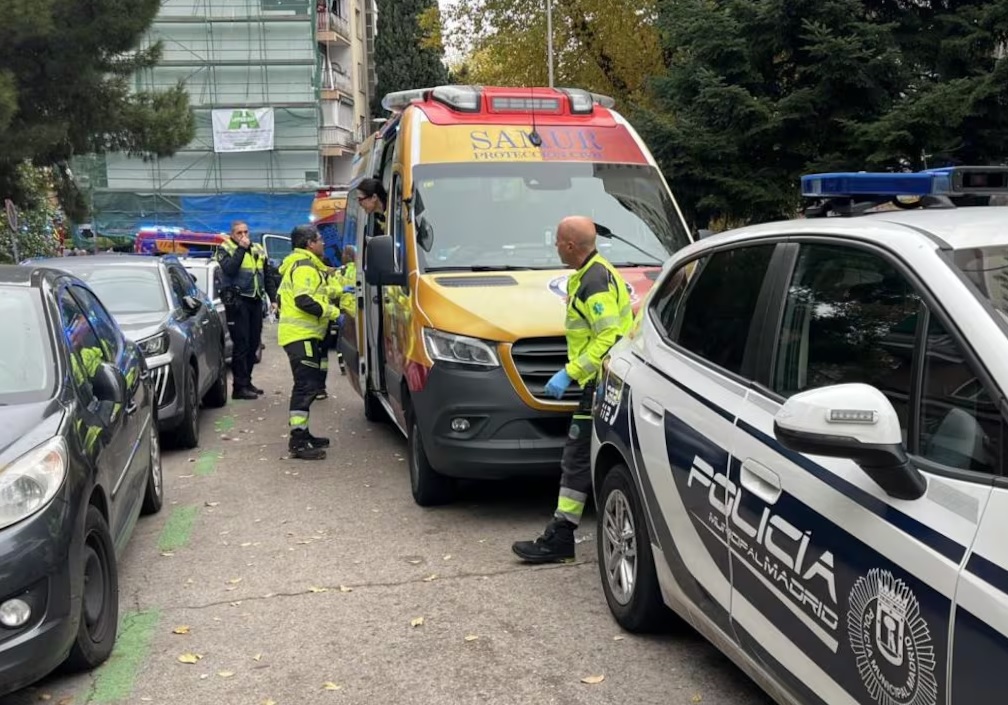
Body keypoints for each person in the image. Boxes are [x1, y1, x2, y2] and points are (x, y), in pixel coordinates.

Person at [512, 215, 634, 563]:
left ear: (569, 245)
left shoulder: (593, 281)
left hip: (601, 382)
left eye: (556, 241)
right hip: (602, 380)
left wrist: (570, 372)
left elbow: (609, 336)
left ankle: (561, 536)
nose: (554, 246)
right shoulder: (593, 273)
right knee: (581, 457)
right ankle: (562, 532)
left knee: (578, 457)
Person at [277, 224, 340, 460]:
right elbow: (304, 300)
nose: (323, 243)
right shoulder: (303, 267)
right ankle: (298, 441)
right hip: (300, 336)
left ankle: (304, 434)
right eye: (320, 239)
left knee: (309, 386)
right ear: (309, 244)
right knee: (304, 388)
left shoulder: (302, 264)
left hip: (302, 335)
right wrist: (334, 314)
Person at [216, 221, 278, 400]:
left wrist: (273, 299)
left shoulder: (257, 248)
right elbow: (229, 269)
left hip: (255, 300)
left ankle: (247, 381)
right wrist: (241, 249)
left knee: (253, 344)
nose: (243, 236)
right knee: (241, 345)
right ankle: (238, 387)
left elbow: (267, 275)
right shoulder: (224, 249)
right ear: (232, 234)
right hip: (238, 302)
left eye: (246, 232)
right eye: (239, 233)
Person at [335, 244, 357, 375]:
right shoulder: (360, 270)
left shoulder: (339, 272)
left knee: (342, 339)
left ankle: (342, 364)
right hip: (358, 310)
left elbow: (333, 292)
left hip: (344, 311)